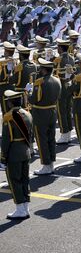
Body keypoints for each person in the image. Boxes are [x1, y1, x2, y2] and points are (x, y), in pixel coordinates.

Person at [1, 90, 32, 220]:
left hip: (14, 152)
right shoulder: (27, 114)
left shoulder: (9, 117)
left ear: (10, 103)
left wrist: (3, 158)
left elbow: (6, 140)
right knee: (25, 179)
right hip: (26, 151)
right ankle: (25, 206)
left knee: (15, 181)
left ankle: (20, 209)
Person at [30, 58, 61, 175]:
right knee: (51, 138)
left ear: (43, 70)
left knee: (42, 139)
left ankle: (46, 165)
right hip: (52, 111)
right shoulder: (57, 80)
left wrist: (29, 93)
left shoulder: (40, 82)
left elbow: (34, 100)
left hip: (40, 113)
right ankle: (51, 163)